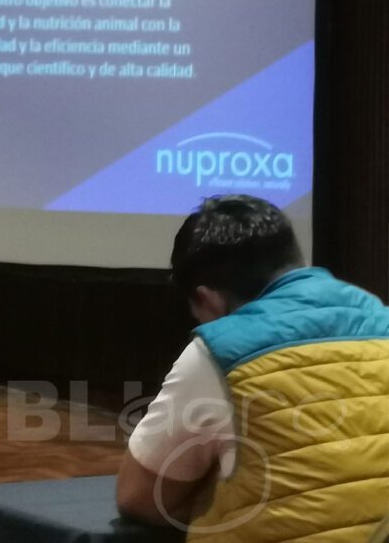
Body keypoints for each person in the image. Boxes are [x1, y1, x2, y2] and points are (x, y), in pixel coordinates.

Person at [117, 194, 389, 541]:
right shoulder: (381, 319)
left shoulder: (217, 353)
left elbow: (140, 498)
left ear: (206, 299)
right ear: (295, 259)